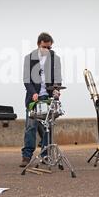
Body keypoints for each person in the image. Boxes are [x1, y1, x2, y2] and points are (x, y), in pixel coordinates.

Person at [20, 33, 62, 167]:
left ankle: (45, 155)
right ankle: (26, 156)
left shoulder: (55, 58)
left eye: (49, 47)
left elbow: (58, 78)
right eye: (45, 47)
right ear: (39, 44)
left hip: (47, 97)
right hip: (33, 97)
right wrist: (33, 93)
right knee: (30, 126)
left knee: (48, 127)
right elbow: (26, 80)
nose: (47, 50)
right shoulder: (29, 58)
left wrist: (56, 90)